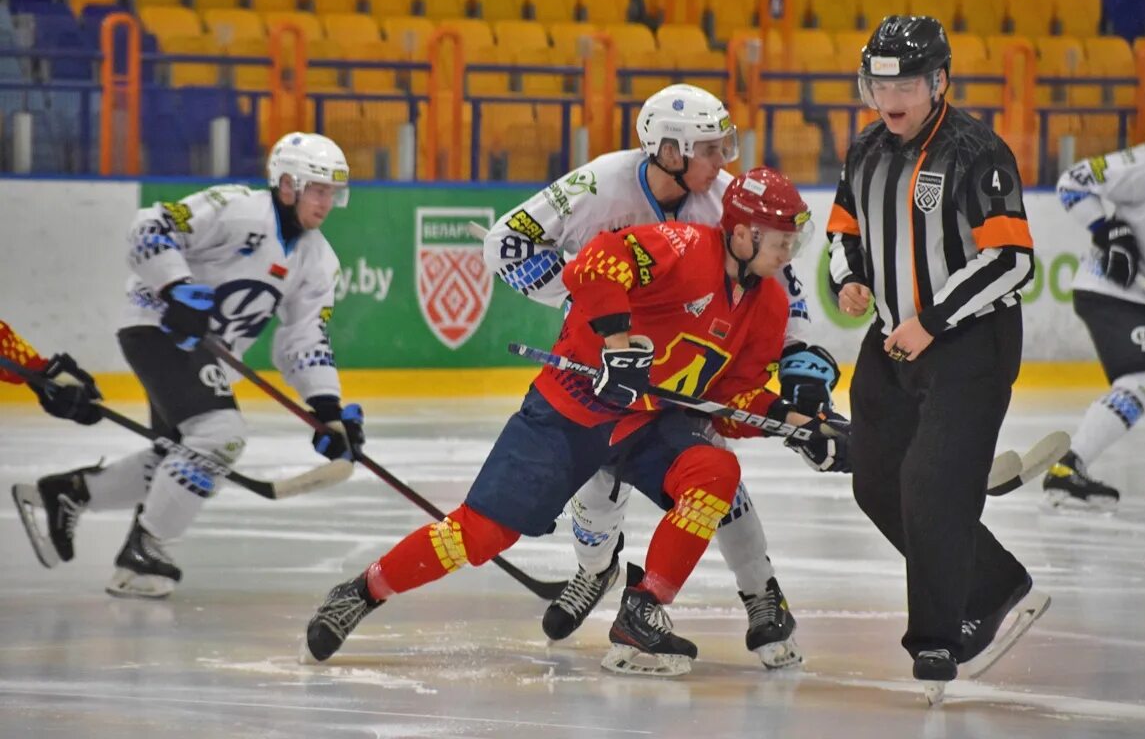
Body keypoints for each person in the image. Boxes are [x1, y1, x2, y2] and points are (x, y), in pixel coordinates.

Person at [303, 167, 850, 677]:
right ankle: (362, 591)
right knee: (479, 535)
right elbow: (592, 265)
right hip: (571, 409)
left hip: (646, 423)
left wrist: (800, 426)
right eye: (780, 238)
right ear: (741, 234)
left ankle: (642, 613)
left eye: (791, 239)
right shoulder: (682, 248)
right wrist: (617, 346)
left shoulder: (769, 305)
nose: (788, 252)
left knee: (714, 473)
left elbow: (733, 396)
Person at [483, 83, 842, 669]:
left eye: (724, 145)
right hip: (618, 368)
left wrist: (801, 394)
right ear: (667, 149)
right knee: (597, 483)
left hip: (698, 373)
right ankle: (595, 571)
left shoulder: (728, 201)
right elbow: (508, 245)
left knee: (717, 481)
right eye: (708, 148)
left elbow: (784, 301)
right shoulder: (600, 183)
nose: (722, 160)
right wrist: (593, 309)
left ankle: (761, 593)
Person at [11, 132, 366, 600]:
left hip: (206, 353)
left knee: (178, 454)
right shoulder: (238, 208)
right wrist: (175, 286)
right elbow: (150, 226)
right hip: (157, 328)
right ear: (286, 184)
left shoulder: (319, 260)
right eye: (317, 188)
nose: (326, 201)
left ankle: (72, 493)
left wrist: (326, 409)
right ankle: (146, 548)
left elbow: (304, 338)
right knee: (220, 436)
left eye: (332, 192)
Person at [827, 15, 1049, 699]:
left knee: (928, 486)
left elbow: (1011, 262)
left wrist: (933, 319)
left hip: (968, 345)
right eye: (876, 87)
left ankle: (937, 639)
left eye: (907, 87)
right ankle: (995, 582)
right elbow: (844, 229)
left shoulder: (976, 151)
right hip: (894, 341)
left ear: (939, 81)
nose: (890, 102)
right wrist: (849, 279)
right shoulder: (866, 146)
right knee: (876, 483)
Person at [1043, 143, 1145, 510]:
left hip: (1141, 297)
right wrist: (1109, 230)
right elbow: (1072, 183)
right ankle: (1067, 467)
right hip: (1113, 290)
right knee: (1143, 379)